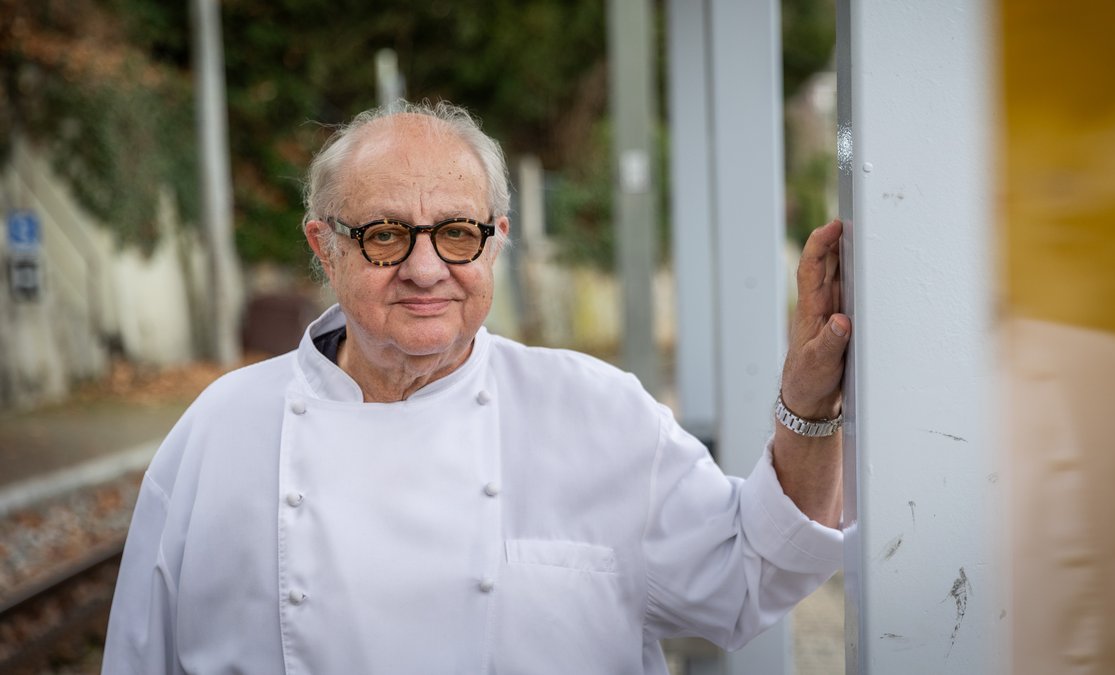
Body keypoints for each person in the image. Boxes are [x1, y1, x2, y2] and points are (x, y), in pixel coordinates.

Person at [101, 100, 851, 674]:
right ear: (324, 247)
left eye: (457, 233)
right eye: (385, 234)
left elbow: (753, 576)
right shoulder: (221, 431)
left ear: (497, 238)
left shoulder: (597, 411)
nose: (427, 269)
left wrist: (808, 406)